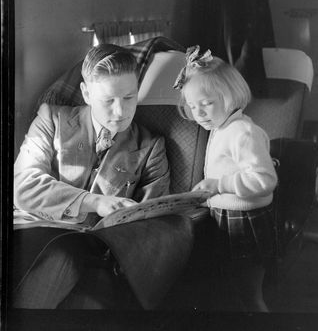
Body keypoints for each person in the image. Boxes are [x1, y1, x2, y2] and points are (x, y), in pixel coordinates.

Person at [11, 44, 173, 309]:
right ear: (86, 93)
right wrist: (94, 202)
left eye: (129, 97)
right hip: (31, 231)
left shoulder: (151, 145)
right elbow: (23, 186)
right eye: (108, 101)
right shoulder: (51, 119)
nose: (120, 113)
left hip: (97, 251)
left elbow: (155, 218)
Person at [173, 45, 278, 312]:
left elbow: (265, 180)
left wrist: (220, 185)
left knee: (249, 293)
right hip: (226, 215)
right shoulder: (221, 127)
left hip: (245, 219)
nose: (200, 113)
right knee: (232, 289)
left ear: (230, 96)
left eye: (207, 103)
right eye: (193, 106)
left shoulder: (242, 132)